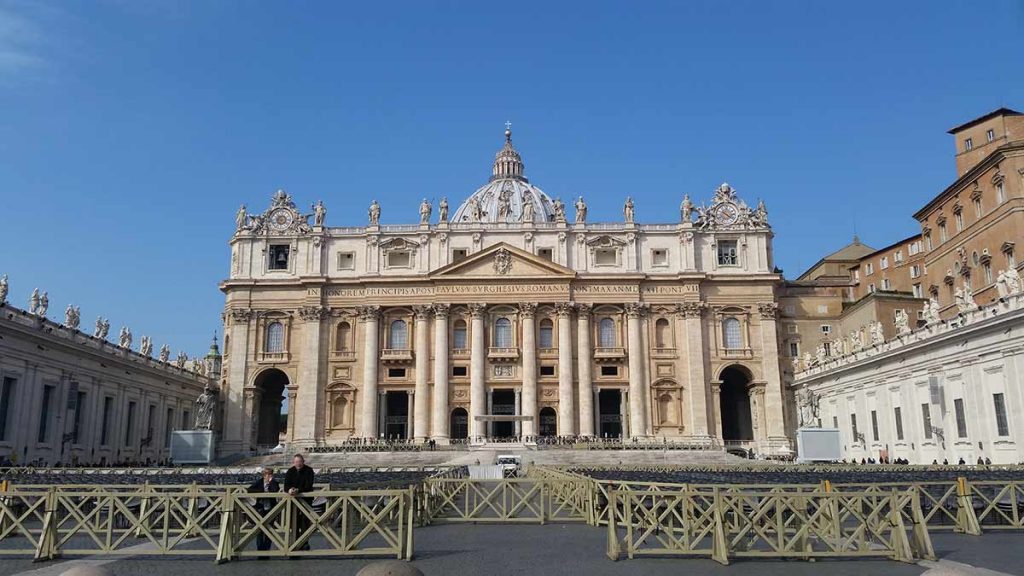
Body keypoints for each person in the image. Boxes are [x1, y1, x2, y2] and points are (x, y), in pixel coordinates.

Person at [284, 454, 315, 552]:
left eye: (299, 462)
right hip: (293, 501)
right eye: (296, 462)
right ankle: (295, 541)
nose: (298, 464)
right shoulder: (290, 471)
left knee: (305, 522)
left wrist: (298, 490)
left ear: (303, 461)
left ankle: (304, 542)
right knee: (294, 521)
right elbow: (286, 486)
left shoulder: (309, 471)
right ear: (294, 462)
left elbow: (309, 486)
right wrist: (289, 490)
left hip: (306, 500)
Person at [247, 467, 280, 557]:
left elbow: (275, 490)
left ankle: (266, 550)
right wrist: (262, 492)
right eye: (267, 474)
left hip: (271, 508)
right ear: (264, 475)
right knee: (260, 530)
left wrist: (271, 482)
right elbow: (249, 490)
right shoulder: (259, 482)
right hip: (261, 508)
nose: (269, 476)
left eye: (270, 474)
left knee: (269, 529)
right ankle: (260, 550)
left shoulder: (275, 483)